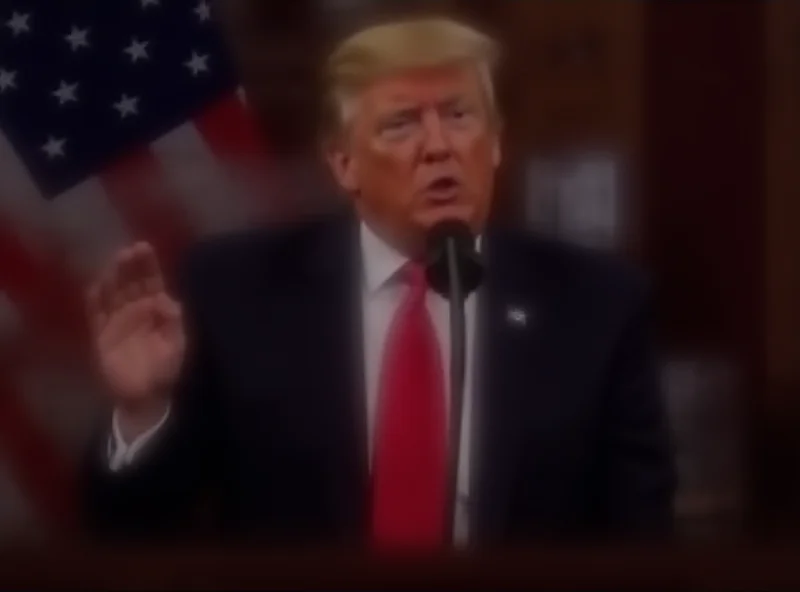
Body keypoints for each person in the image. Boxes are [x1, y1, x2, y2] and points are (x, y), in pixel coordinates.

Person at [82, 18, 675, 547]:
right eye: (401, 124)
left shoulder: (595, 306)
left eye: (460, 115)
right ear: (344, 163)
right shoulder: (238, 294)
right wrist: (143, 414)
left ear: (495, 144)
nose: (439, 146)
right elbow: (134, 535)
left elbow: (642, 550)